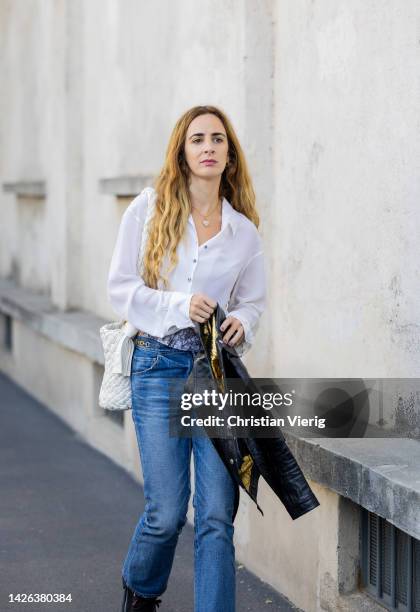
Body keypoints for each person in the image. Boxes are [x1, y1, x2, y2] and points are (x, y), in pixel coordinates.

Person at [107, 105, 266, 612]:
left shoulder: (243, 233)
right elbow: (121, 289)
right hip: (156, 369)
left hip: (214, 375)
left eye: (218, 139)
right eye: (198, 139)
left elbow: (253, 301)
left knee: (217, 513)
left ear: (230, 155)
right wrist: (179, 304)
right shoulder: (149, 209)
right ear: (182, 150)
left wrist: (245, 322)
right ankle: (141, 588)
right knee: (168, 512)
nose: (208, 147)